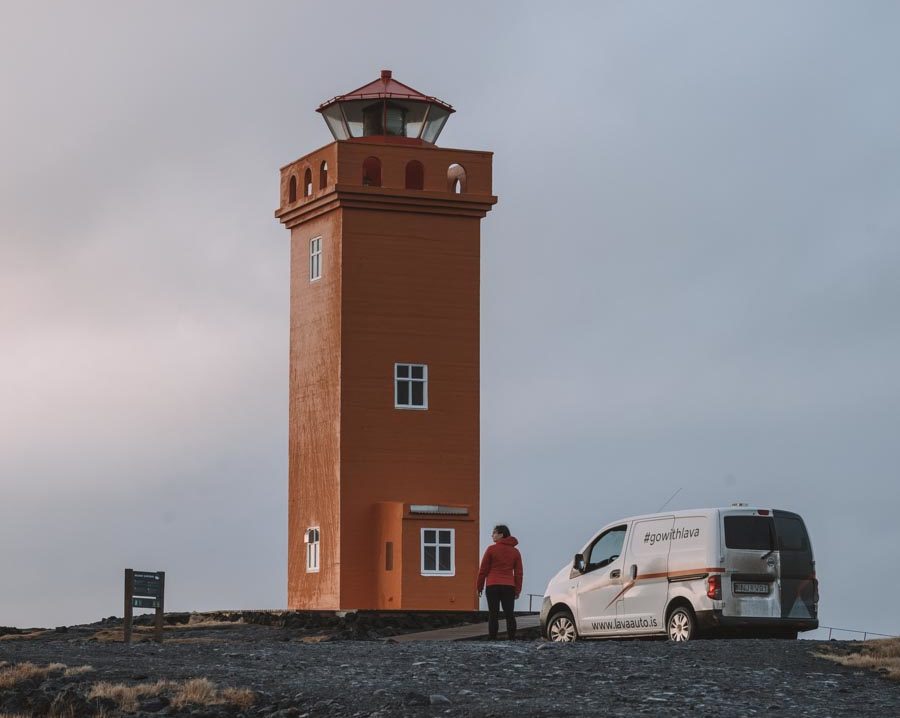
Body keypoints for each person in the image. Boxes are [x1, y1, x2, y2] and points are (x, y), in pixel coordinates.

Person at [477, 524, 523, 640]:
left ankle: (492, 638)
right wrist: (517, 590)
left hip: (492, 585)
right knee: (509, 614)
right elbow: (519, 573)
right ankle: (511, 638)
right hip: (509, 586)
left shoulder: (491, 549)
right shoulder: (515, 552)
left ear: (501, 534)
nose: (492, 535)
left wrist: (479, 587)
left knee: (493, 614)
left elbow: (483, 570)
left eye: (494, 532)